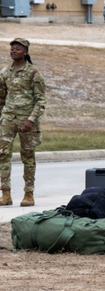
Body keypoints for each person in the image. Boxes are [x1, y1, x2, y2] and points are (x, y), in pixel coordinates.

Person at [0, 38, 46, 206]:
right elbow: (1, 97)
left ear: (26, 52)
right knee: (2, 153)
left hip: (27, 120)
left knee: (27, 156)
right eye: (12, 48)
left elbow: (40, 100)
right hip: (8, 119)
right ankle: (5, 194)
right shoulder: (5, 72)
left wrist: (31, 120)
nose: (14, 51)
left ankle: (28, 194)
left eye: (18, 48)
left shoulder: (33, 72)